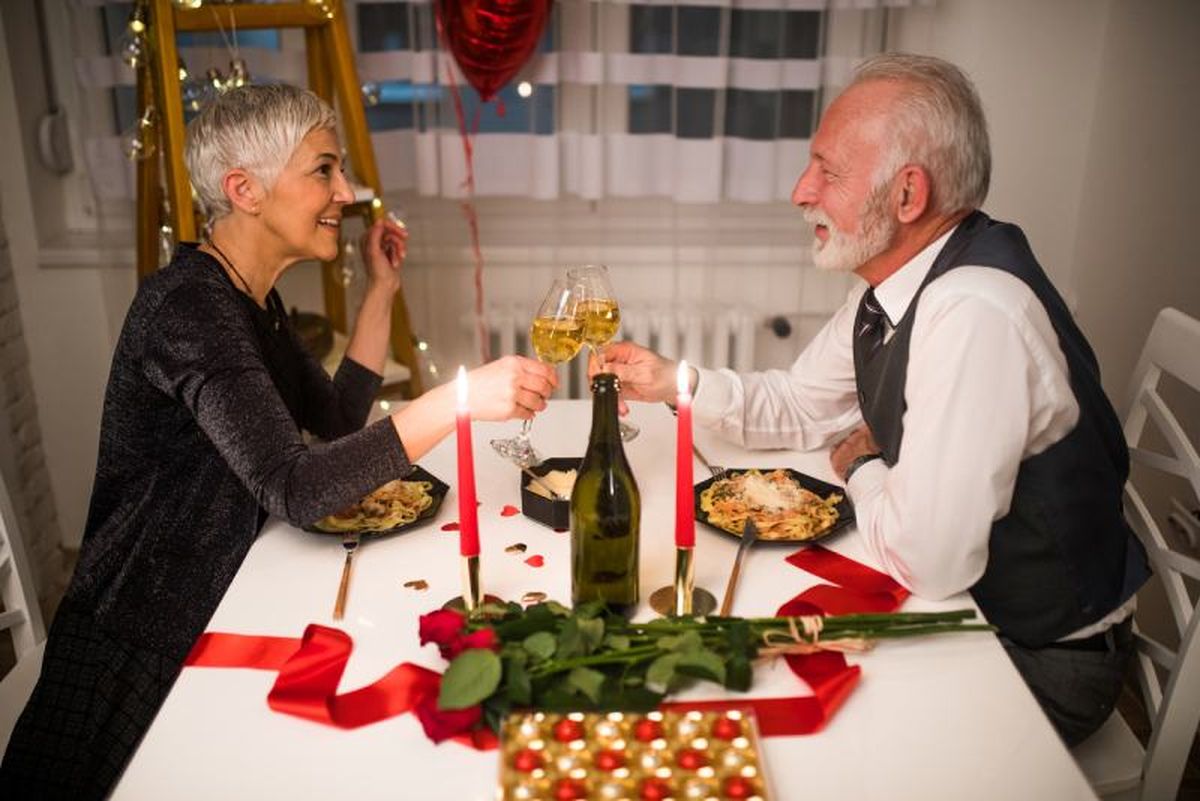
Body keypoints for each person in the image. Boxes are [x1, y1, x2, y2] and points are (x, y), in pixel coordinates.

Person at [0, 84, 556, 799]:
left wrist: (382, 289)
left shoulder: (249, 298)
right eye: (324, 169)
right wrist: (458, 400)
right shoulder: (187, 310)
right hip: (142, 639)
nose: (346, 191)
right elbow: (296, 487)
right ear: (245, 190)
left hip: (224, 592)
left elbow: (337, 418)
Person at [600, 53, 1149, 746]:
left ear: (907, 194)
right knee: (756, 658)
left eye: (827, 171)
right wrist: (675, 381)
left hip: (1037, 663)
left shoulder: (972, 311)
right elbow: (801, 403)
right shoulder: (898, 284)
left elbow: (930, 562)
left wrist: (861, 466)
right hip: (973, 617)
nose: (801, 191)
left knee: (794, 721)